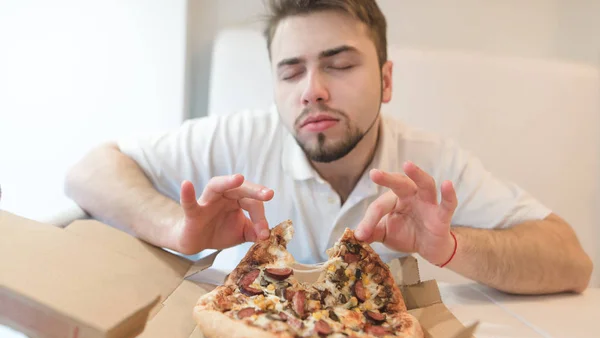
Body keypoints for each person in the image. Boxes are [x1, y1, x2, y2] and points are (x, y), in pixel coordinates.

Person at [64, 0, 592, 295]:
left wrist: (449, 246)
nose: (312, 88)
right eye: (290, 71)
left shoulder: (429, 164)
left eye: (339, 65)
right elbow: (89, 171)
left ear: (386, 81)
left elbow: (571, 260)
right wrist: (174, 229)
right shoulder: (235, 138)